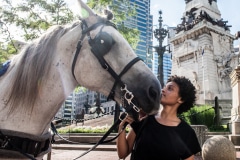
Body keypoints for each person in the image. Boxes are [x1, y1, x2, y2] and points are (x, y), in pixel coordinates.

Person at [117, 75, 201, 160]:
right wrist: (121, 128)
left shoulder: (186, 132)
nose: (163, 90)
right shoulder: (145, 120)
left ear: (181, 99)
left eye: (170, 88)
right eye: (164, 87)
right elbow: (123, 154)